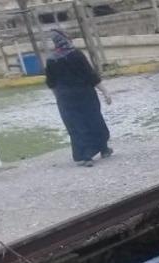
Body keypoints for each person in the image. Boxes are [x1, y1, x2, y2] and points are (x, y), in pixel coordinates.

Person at [44, 30, 112, 167]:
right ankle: (103, 149)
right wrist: (105, 92)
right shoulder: (76, 55)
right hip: (85, 94)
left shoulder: (51, 60)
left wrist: (58, 97)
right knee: (94, 119)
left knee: (76, 125)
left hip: (65, 98)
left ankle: (86, 156)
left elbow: (51, 83)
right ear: (67, 39)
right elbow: (91, 75)